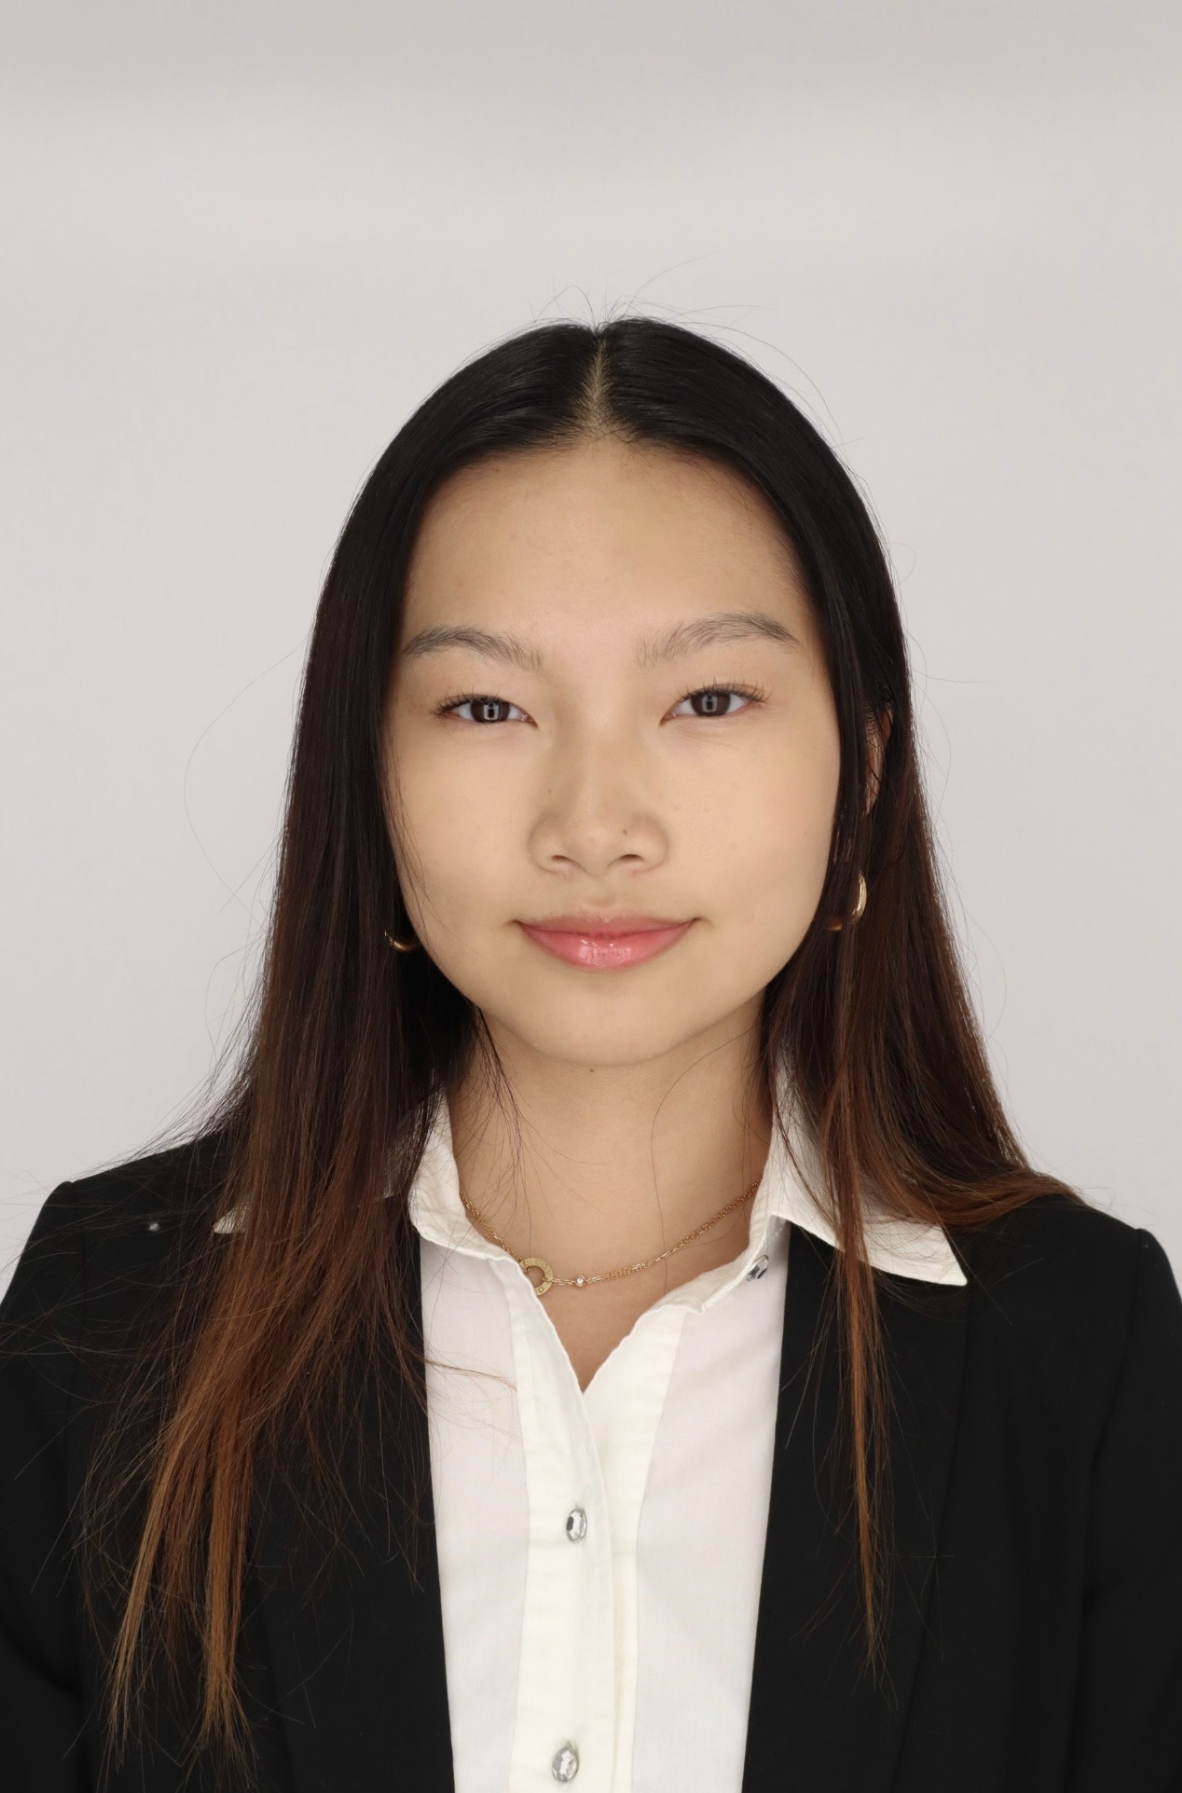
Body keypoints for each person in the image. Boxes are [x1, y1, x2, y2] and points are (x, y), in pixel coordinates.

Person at [2, 316, 1180, 1793]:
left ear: (865, 771)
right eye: (487, 706)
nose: (595, 825)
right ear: (368, 774)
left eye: (708, 700)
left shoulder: (1079, 1352)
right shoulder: (110, 1320)